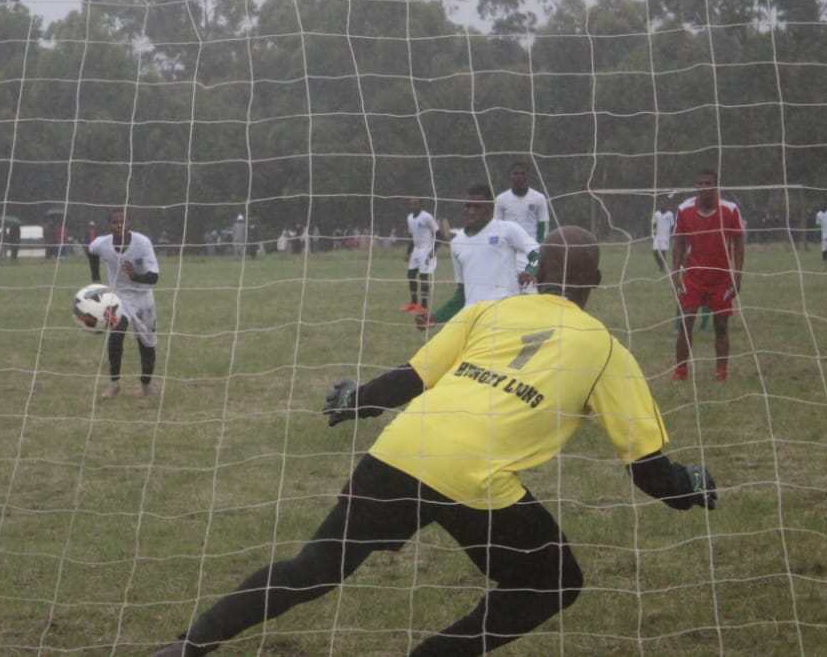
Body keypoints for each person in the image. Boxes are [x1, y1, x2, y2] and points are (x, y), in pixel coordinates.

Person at [151, 226, 717, 657]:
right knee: (554, 581)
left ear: (534, 272)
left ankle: (188, 645)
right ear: (596, 282)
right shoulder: (608, 351)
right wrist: (689, 487)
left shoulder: (489, 311)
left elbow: (412, 377)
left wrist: (358, 400)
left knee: (314, 566)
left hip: (403, 446)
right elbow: (647, 470)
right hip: (474, 477)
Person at [415, 183, 538, 330]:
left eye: (477, 207)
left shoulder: (507, 230)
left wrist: (530, 271)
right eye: (468, 206)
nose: (471, 211)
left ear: (490, 207)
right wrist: (436, 317)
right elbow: (462, 294)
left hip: (504, 316)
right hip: (472, 319)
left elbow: (538, 253)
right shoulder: (457, 243)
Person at [670, 169, 744, 383]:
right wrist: (676, 274)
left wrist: (737, 276)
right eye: (699, 183)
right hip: (693, 277)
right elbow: (678, 243)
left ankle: (721, 373)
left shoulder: (730, 210)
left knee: (721, 326)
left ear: (716, 186)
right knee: (686, 321)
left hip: (720, 279)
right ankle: (680, 372)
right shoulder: (684, 209)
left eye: (708, 183)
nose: (703, 187)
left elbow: (739, 244)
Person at [87, 208, 161, 399]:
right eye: (115, 222)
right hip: (119, 297)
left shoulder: (143, 243)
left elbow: (154, 277)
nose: (119, 225)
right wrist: (96, 278)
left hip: (143, 297)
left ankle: (146, 385)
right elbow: (91, 250)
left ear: (129, 224)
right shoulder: (102, 244)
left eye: (123, 222)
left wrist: (135, 275)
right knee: (116, 333)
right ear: (109, 225)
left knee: (147, 344)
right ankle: (114, 384)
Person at [495, 160, 550, 292]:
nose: (519, 176)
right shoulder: (501, 199)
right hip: (509, 251)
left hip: (529, 252)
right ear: (510, 176)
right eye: (515, 173)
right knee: (508, 291)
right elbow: (496, 226)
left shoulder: (539, 198)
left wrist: (540, 249)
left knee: (530, 289)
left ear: (527, 176)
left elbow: (544, 226)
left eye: (522, 173)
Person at [402, 197, 442, 313]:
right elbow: (412, 236)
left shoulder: (427, 217)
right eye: (411, 204)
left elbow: (438, 234)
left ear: (420, 205)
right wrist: (408, 253)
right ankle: (414, 303)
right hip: (416, 250)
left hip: (426, 249)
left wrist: (434, 249)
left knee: (423, 277)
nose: (413, 206)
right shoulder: (409, 218)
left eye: (415, 203)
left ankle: (424, 306)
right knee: (410, 275)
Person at [652, 193, 676, 272]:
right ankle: (660, 264)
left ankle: (662, 267)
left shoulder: (670, 214)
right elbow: (654, 223)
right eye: (661, 204)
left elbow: (672, 225)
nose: (663, 205)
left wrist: (672, 234)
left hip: (665, 236)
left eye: (664, 204)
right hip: (658, 236)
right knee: (655, 252)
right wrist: (654, 231)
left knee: (663, 252)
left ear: (667, 205)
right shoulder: (657, 214)